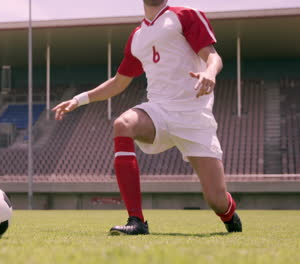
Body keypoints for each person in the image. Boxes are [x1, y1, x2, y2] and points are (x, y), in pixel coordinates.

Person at [52, 0, 242, 235]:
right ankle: (136, 221)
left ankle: (229, 214)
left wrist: (209, 72)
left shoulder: (186, 15)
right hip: (158, 111)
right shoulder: (137, 36)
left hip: (194, 117)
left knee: (216, 199)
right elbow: (118, 82)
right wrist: (79, 99)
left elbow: (213, 56)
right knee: (123, 124)